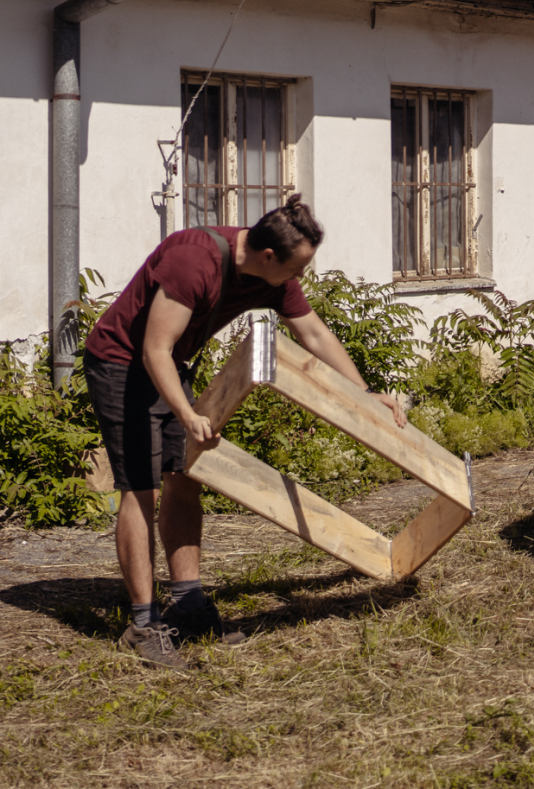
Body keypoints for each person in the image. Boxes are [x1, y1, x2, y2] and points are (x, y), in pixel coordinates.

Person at [83, 195, 407, 668]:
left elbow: (313, 334)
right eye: (297, 268)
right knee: (141, 488)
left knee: (185, 476)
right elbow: (154, 349)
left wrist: (363, 393)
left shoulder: (273, 278)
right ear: (269, 257)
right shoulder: (193, 261)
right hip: (122, 364)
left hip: (170, 364)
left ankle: (189, 604)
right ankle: (143, 624)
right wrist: (187, 413)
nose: (299, 280)